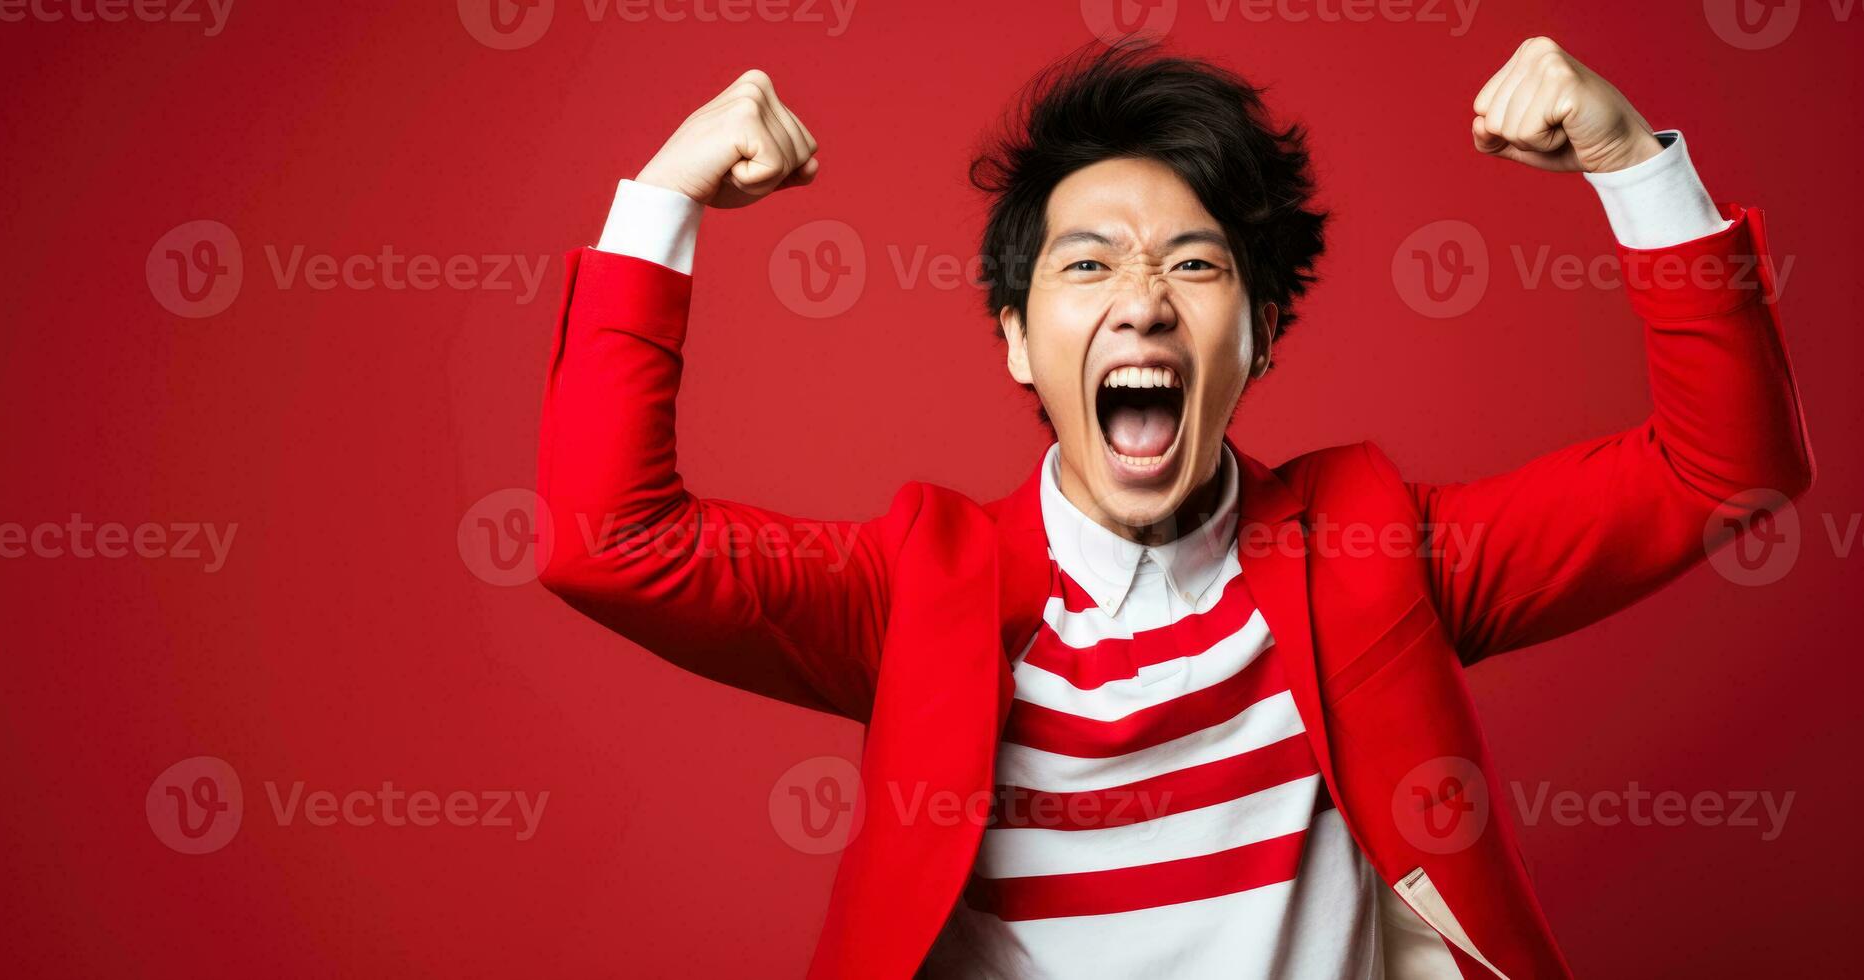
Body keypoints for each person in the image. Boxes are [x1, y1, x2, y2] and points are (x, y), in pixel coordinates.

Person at [534, 38, 1810, 980]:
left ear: (1257, 340)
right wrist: (665, 198)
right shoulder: (921, 585)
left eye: (1193, 265)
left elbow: (1724, 466)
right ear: (1018, 343)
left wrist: (1627, 162)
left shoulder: (1374, 556)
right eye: (1085, 264)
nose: (1140, 301)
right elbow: (610, 544)